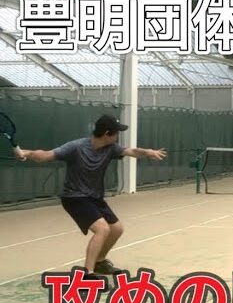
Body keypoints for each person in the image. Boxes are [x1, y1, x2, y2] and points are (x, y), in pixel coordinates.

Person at [14, 114, 167, 277]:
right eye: (116, 133)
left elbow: (132, 151)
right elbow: (46, 155)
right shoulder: (76, 147)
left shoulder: (111, 148)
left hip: (94, 197)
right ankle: (87, 274)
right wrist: (26, 153)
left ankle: (99, 262)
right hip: (74, 197)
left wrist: (148, 152)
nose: (118, 136)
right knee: (102, 229)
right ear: (107, 134)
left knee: (116, 229)